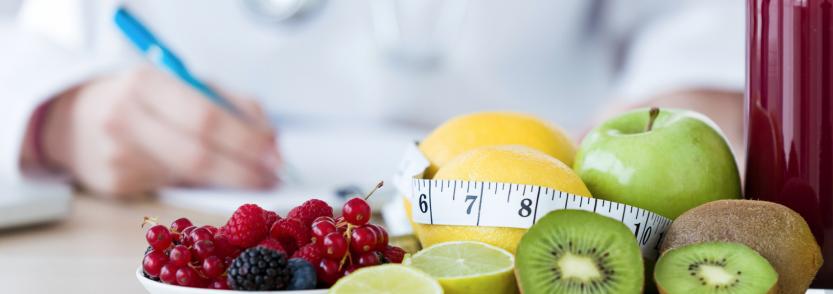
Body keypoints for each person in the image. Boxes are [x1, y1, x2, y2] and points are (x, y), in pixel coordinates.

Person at [0, 0, 744, 198]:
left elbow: (700, 21)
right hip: (171, 201)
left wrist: (692, 92)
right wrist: (57, 113)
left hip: (543, 185)